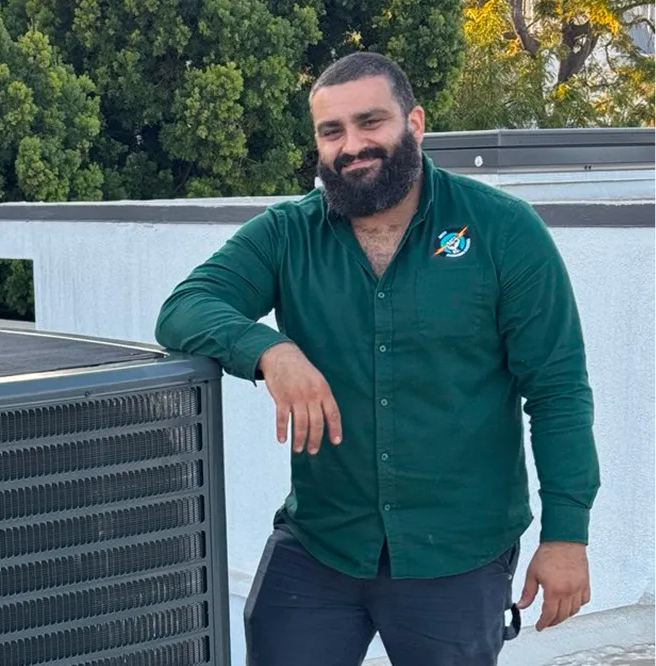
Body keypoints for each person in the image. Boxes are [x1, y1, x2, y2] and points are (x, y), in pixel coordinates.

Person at [153, 51, 600, 666]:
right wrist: (270, 351)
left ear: (415, 123)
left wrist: (566, 534)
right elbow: (185, 307)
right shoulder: (288, 234)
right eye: (331, 131)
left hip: (457, 555)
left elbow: (557, 391)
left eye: (371, 123)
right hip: (321, 544)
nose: (352, 145)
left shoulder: (502, 230)